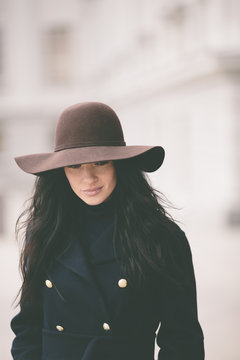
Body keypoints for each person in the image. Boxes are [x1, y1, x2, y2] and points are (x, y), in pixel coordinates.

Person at [10, 102, 204, 360]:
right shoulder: (44, 232)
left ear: (119, 165)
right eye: (75, 166)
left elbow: (183, 340)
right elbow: (28, 327)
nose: (88, 178)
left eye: (100, 162)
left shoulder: (162, 238)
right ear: (61, 172)